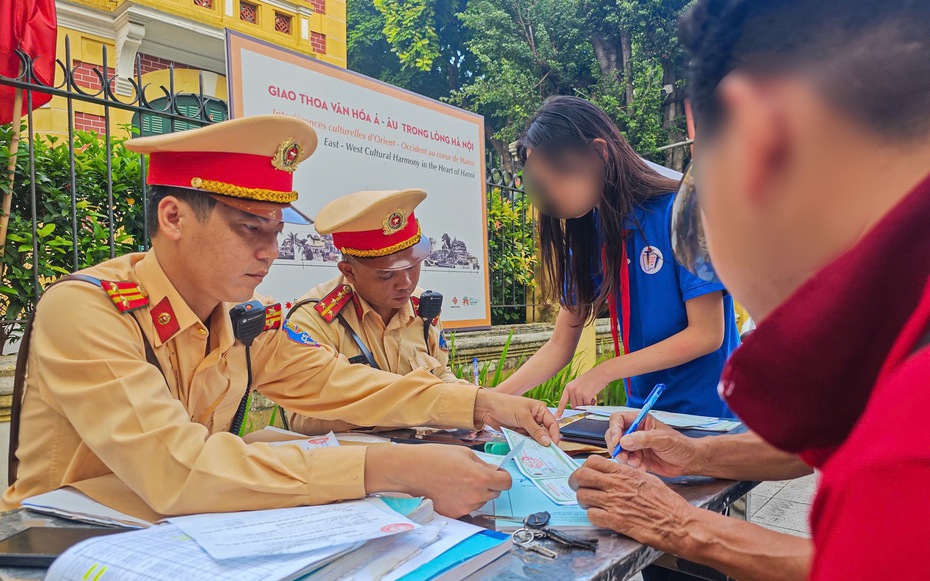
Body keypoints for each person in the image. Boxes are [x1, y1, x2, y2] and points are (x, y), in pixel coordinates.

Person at [3, 115, 560, 520]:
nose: (270, 251)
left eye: (276, 230)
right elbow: (178, 469)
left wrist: (480, 403)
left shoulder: (241, 323)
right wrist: (388, 467)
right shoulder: (89, 310)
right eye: (251, 228)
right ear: (173, 216)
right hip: (67, 546)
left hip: (183, 535)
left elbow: (339, 383)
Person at [569, 1, 930, 580]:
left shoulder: (906, 450)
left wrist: (683, 527)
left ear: (759, 137)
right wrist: (699, 453)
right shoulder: (900, 355)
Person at [495, 95, 740, 421]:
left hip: (713, 419)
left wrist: (604, 371)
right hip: (643, 417)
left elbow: (707, 335)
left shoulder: (683, 211)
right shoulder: (587, 237)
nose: (552, 194)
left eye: (559, 176)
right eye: (543, 184)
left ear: (599, 153)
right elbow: (559, 346)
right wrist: (488, 401)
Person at [284, 188, 471, 435]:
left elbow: (440, 374)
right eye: (386, 274)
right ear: (348, 271)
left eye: (413, 266)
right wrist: (409, 409)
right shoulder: (314, 320)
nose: (405, 283)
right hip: (353, 466)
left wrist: (477, 404)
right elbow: (301, 417)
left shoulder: (421, 308)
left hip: (424, 457)